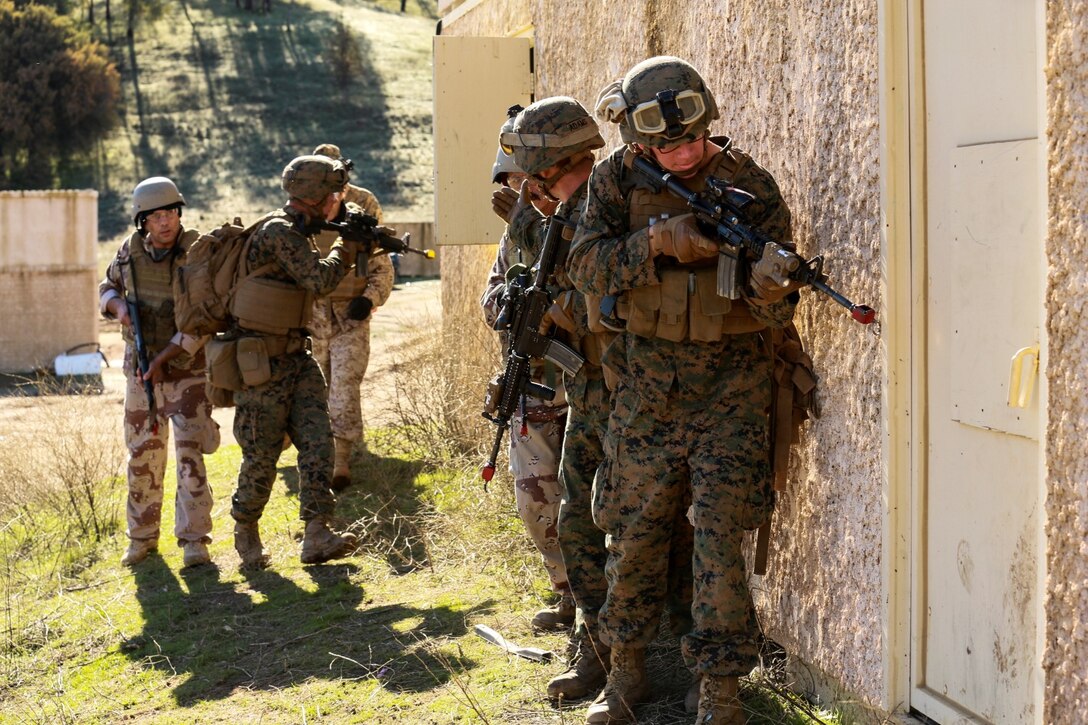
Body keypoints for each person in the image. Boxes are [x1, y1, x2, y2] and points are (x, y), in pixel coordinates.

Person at [566, 56, 804, 725]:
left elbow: (777, 315)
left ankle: (720, 694)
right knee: (634, 534)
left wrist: (770, 291)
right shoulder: (616, 180)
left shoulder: (749, 184)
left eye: (693, 138)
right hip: (644, 391)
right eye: (666, 145)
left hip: (731, 392)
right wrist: (657, 242)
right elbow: (584, 264)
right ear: (640, 142)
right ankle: (626, 676)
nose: (683, 153)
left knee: (719, 541)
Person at [497, 97, 616, 699]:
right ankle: (595, 651)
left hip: (625, 393)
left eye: (536, 174)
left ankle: (632, 661)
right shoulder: (553, 215)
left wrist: (561, 315)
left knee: (622, 528)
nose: (530, 188)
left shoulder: (612, 202)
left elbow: (619, 299)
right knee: (576, 521)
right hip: (585, 393)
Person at [228, 154, 365, 568]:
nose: (336, 201)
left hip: (296, 356)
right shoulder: (277, 232)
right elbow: (320, 280)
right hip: (260, 363)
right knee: (262, 454)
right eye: (332, 193)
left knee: (317, 443)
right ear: (315, 195)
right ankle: (245, 529)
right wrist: (348, 245)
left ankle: (317, 533)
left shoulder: (299, 229)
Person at [480, 109, 574, 632]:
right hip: (532, 386)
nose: (518, 191)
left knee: (591, 503)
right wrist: (510, 303)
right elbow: (491, 300)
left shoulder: (578, 219)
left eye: (523, 180)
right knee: (535, 501)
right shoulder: (512, 238)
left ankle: (600, 608)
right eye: (510, 184)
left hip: (581, 386)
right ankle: (567, 592)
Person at [99, 176, 219, 569]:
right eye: (155, 216)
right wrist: (118, 308)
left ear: (179, 214)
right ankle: (142, 538)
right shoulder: (129, 252)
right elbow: (106, 288)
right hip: (141, 372)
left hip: (186, 370)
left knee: (190, 456)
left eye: (170, 213)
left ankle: (194, 541)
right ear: (142, 222)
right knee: (142, 457)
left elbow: (207, 318)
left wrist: (166, 356)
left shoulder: (198, 253)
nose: (164, 222)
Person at [309, 143, 395, 491]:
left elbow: (381, 267)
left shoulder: (361, 210)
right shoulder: (299, 218)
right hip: (312, 319)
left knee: (344, 386)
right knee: (315, 387)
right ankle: (314, 452)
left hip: (349, 319)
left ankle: (340, 459)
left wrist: (369, 299)